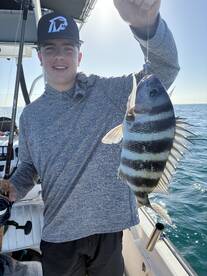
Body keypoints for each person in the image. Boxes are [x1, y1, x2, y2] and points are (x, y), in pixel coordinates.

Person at [0, 0, 180, 275]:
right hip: (59, 233)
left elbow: (165, 69)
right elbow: (29, 167)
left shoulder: (108, 93)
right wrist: (14, 187)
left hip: (108, 231)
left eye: (68, 49)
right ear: (40, 57)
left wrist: (147, 26)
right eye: (51, 49)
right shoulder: (30, 117)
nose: (59, 57)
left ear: (79, 56)